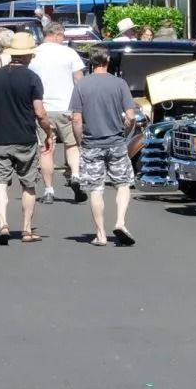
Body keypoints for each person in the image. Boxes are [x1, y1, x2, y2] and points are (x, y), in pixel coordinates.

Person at [0, 32, 51, 244]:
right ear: (28, 55)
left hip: (0, 138)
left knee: (0, 182)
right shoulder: (32, 78)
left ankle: (3, 223)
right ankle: (27, 230)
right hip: (25, 138)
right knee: (28, 184)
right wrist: (49, 132)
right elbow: (40, 112)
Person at [69, 52, 136, 246]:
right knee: (122, 184)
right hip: (116, 142)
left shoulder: (82, 85)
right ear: (108, 62)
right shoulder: (119, 84)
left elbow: (76, 119)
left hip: (91, 143)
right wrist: (126, 133)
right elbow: (130, 117)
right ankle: (120, 222)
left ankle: (101, 234)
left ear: (91, 63)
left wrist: (80, 140)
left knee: (96, 189)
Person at [30, 22, 86, 204]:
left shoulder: (34, 54)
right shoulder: (69, 53)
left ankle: (48, 190)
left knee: (46, 149)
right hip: (67, 106)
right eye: (63, 36)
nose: (64, 39)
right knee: (72, 145)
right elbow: (79, 79)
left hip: (43, 108)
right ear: (56, 35)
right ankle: (76, 175)